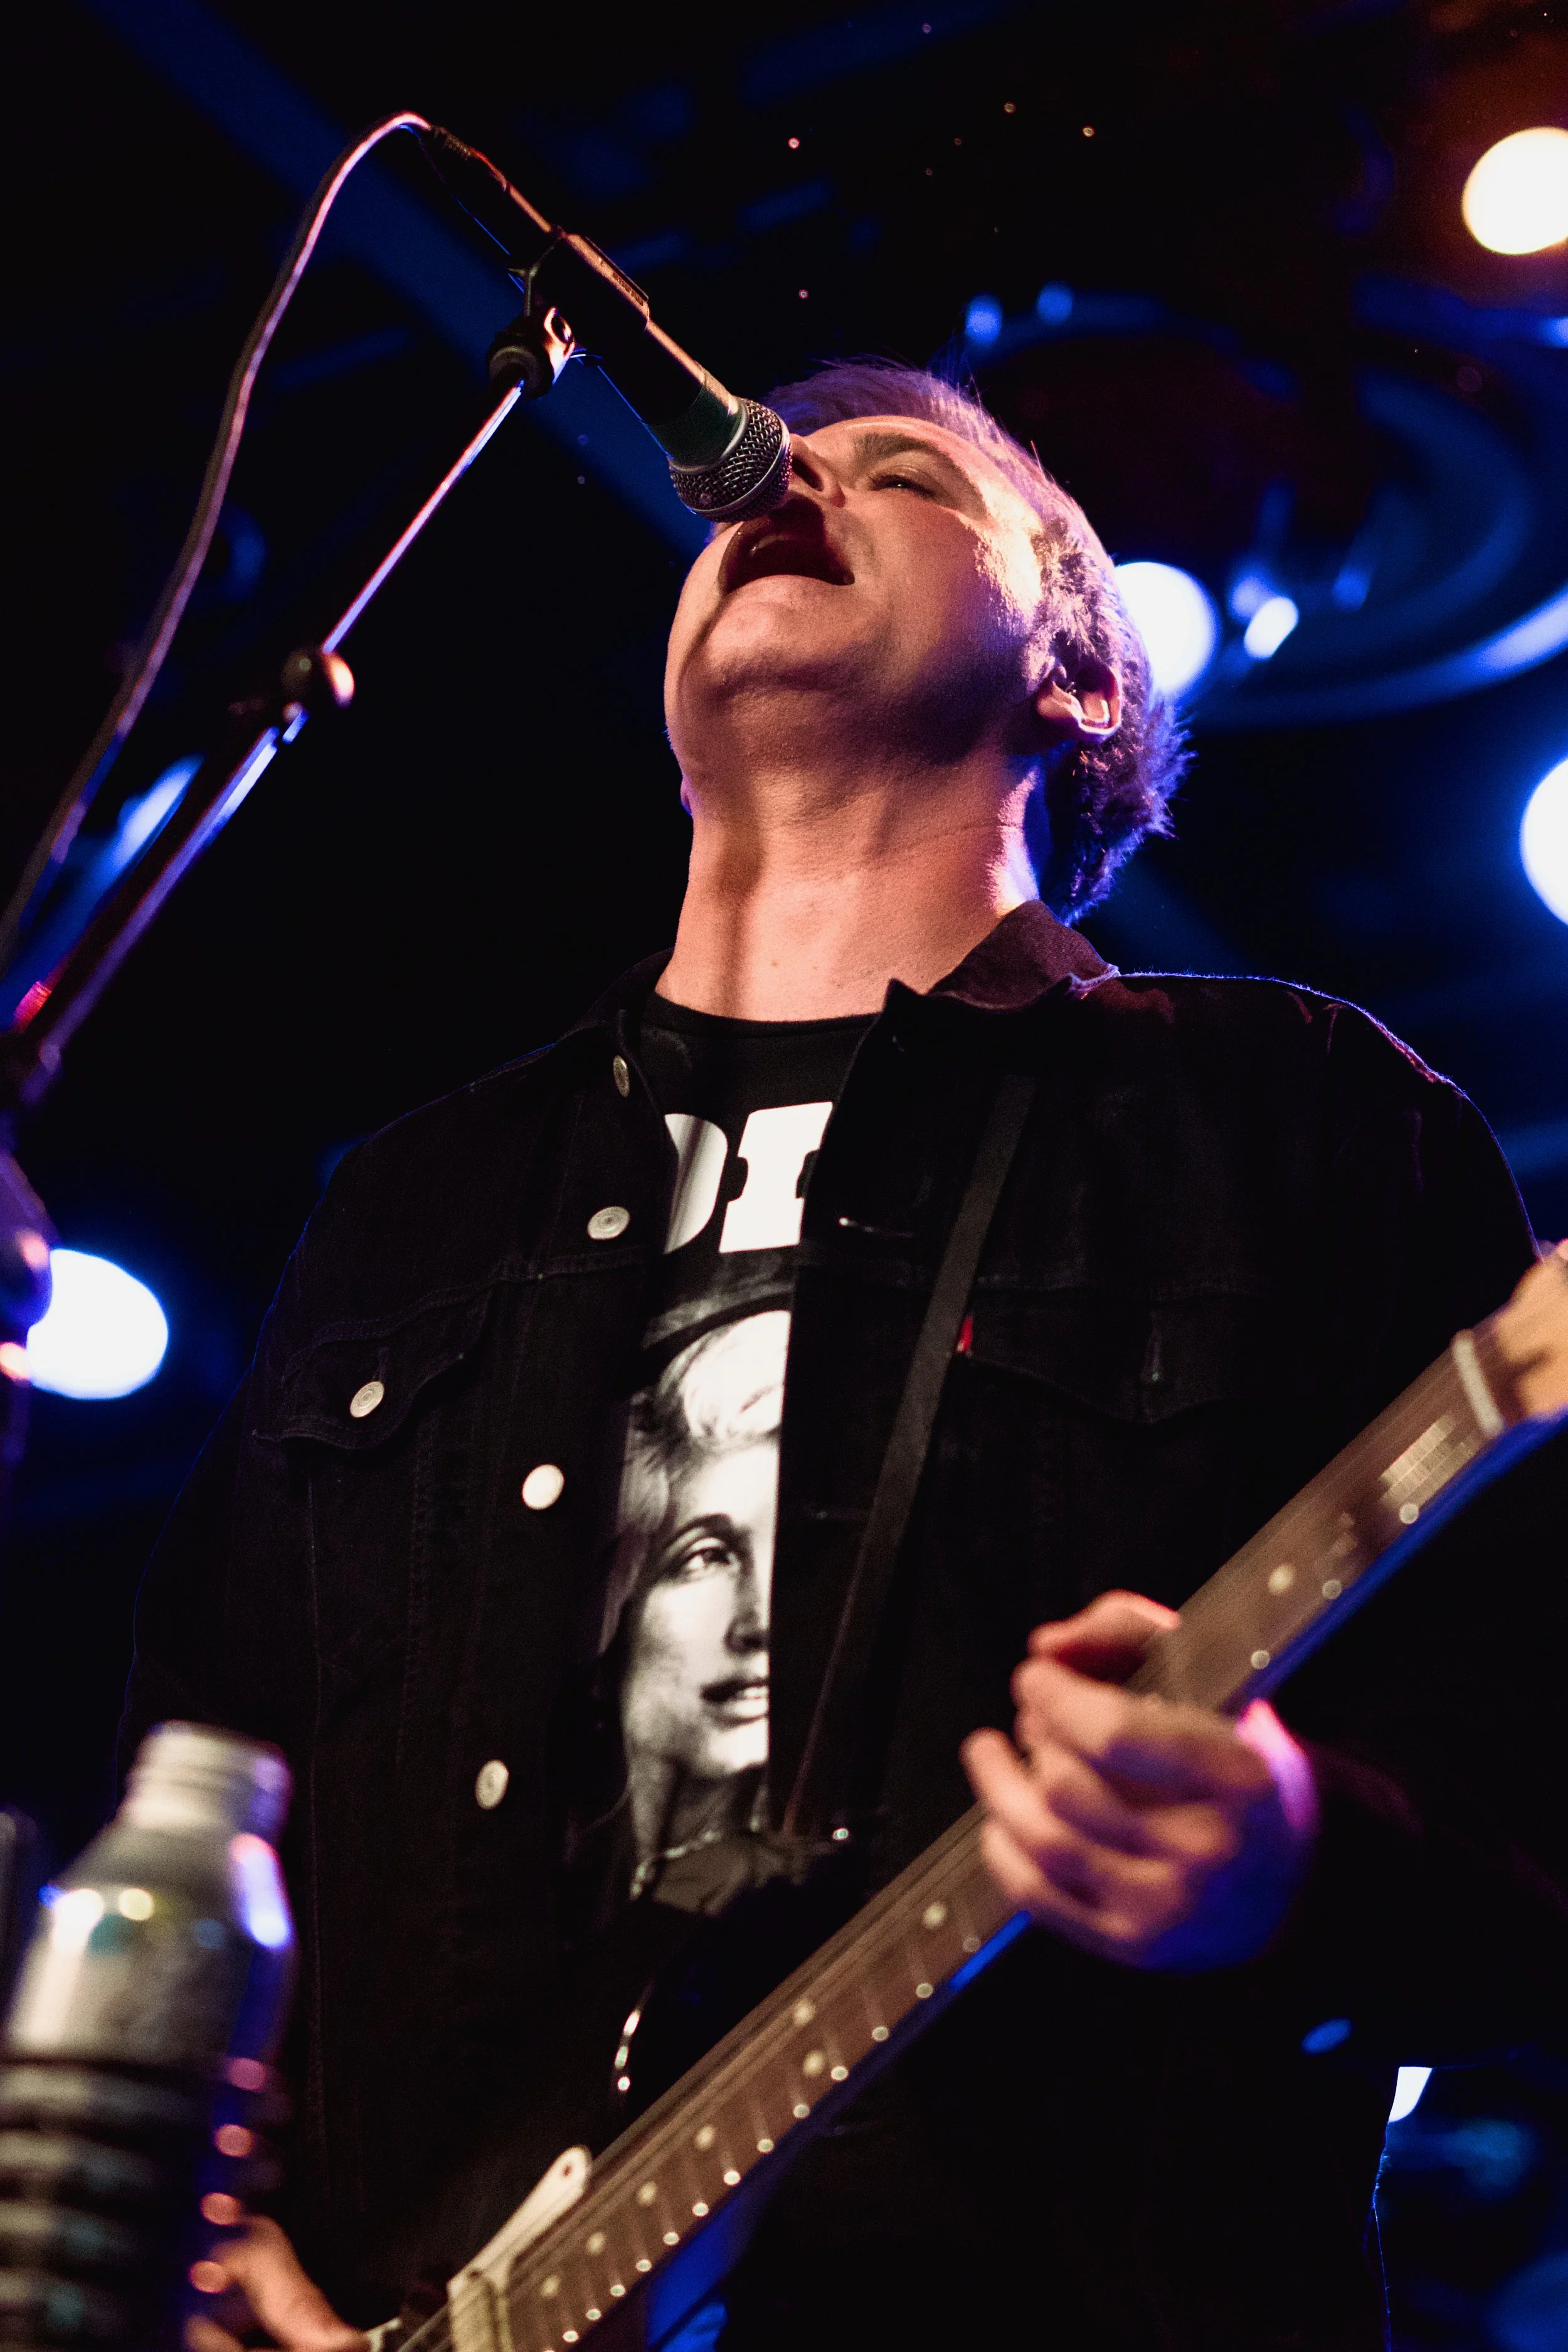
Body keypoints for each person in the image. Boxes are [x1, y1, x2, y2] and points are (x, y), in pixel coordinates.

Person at [122, 359, 1567, 2352]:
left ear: (1071, 672)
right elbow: (191, 1790)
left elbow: (1538, 1810)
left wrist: (1290, 1863)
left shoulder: (1296, 1115)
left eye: (899, 473)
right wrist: (187, 2244)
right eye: (777, 464)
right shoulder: (414, 1200)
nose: (791, 472)